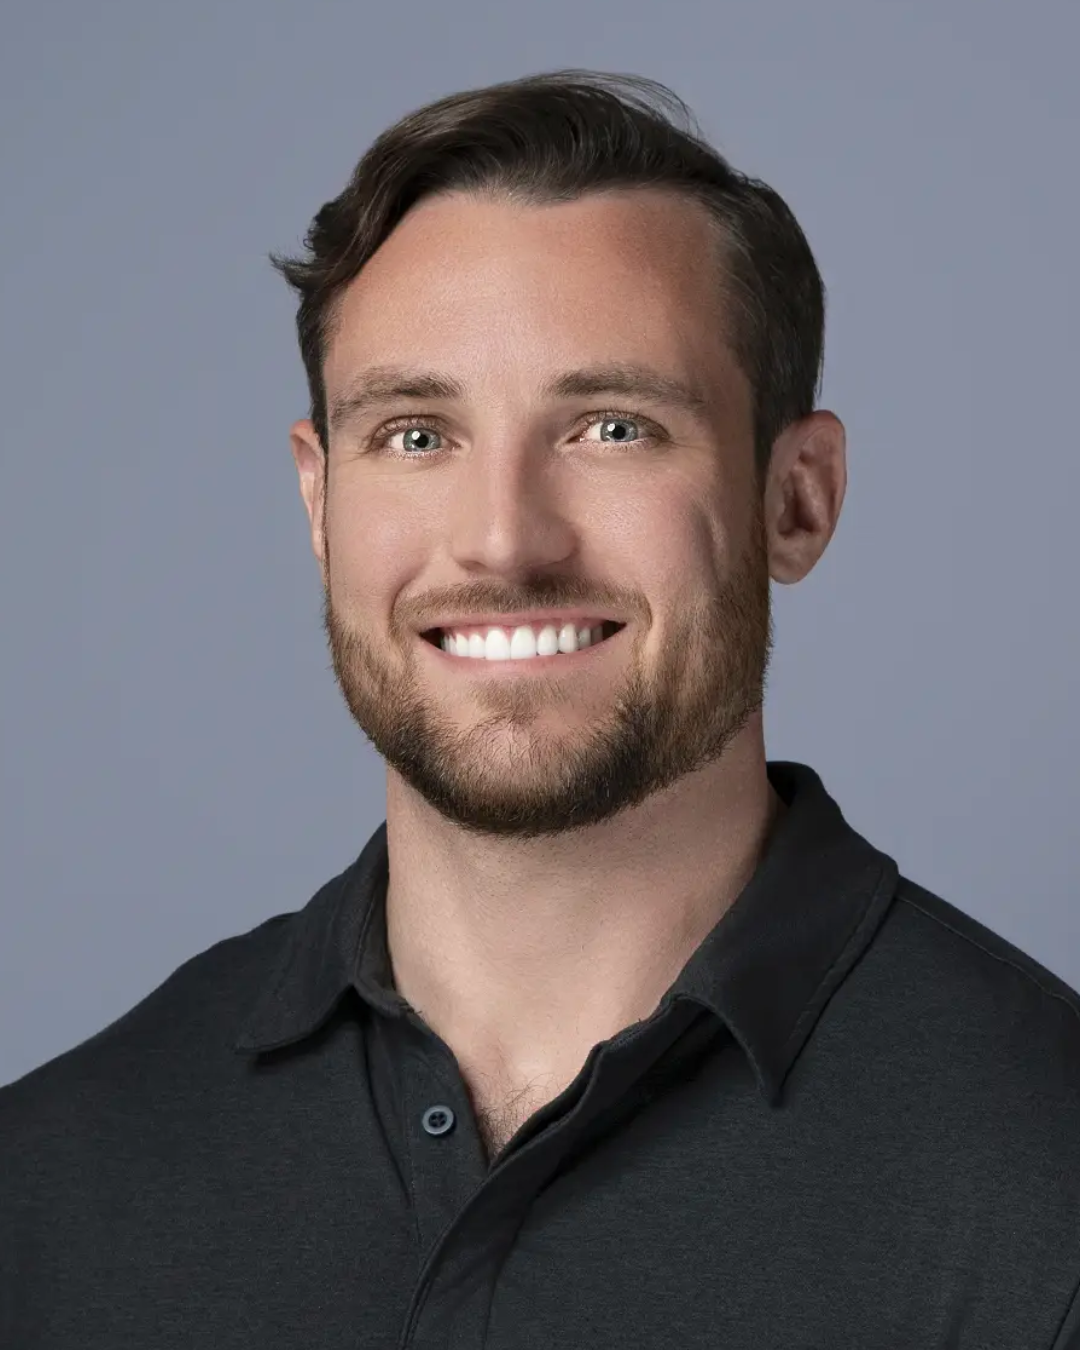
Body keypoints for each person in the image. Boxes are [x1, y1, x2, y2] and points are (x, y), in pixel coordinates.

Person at [3, 68, 1079, 1350]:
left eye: (613, 428)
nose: (505, 542)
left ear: (799, 498)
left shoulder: (1044, 1182)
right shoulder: (54, 1188)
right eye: (415, 435)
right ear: (317, 498)